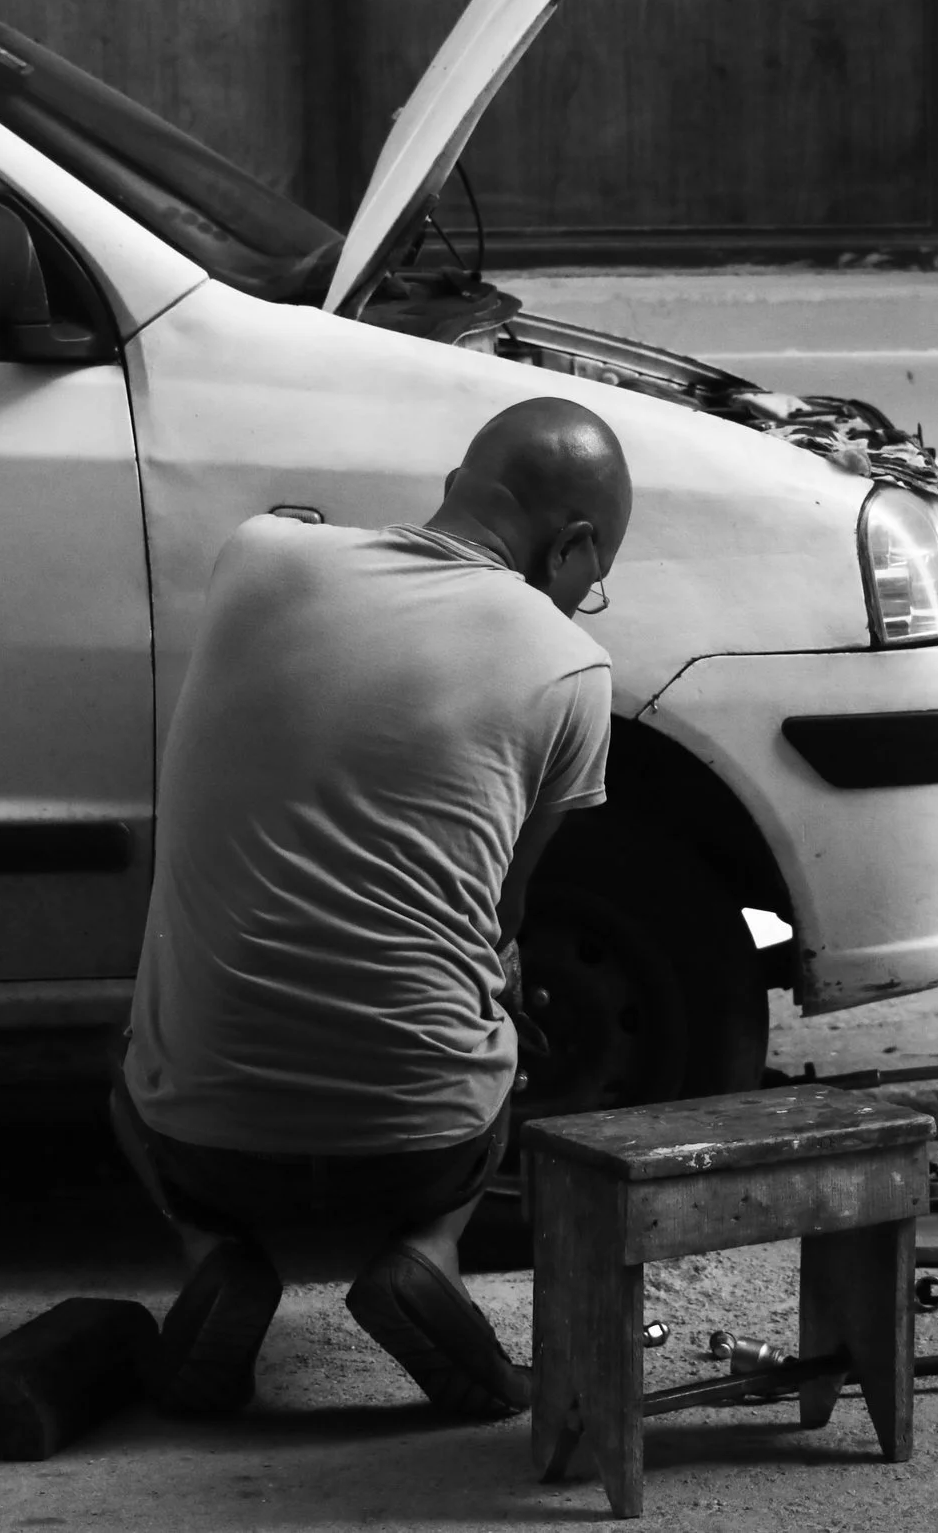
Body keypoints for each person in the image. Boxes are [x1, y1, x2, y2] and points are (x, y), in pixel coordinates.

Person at [110, 395, 630, 1420]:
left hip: (199, 1137)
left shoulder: (258, 557)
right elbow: (500, 913)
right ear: (570, 543)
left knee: (133, 1046)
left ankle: (218, 1255)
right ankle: (424, 1255)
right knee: (495, 1000)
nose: (586, 598)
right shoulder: (570, 665)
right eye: (594, 575)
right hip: (419, 1142)